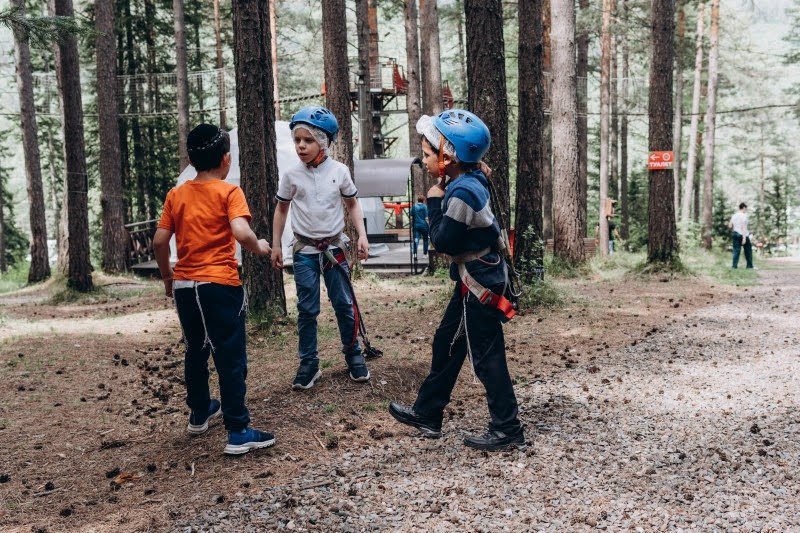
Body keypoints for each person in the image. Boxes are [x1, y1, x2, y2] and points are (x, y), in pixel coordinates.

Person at [388, 109, 524, 452]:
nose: (424, 161)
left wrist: (433, 203)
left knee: (487, 356)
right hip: (475, 279)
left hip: (480, 282)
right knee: (447, 343)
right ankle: (427, 413)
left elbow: (444, 241)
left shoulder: (462, 193)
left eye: (427, 154)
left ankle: (507, 428)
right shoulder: (469, 178)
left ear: (448, 158)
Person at [153, 123, 275, 456]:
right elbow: (241, 232)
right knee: (229, 355)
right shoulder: (229, 192)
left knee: (195, 349)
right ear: (225, 159)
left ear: (191, 160)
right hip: (219, 285)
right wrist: (260, 246)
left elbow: (160, 241)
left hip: (184, 286)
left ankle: (200, 411)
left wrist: (168, 278)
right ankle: (238, 430)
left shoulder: (176, 195)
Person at [271, 106, 371, 390]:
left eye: (308, 140)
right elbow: (281, 209)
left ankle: (353, 354)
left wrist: (362, 235)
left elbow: (352, 203)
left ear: (323, 142)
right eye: (297, 140)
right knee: (307, 309)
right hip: (304, 252)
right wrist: (276, 244)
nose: (301, 146)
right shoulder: (291, 175)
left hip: (334, 250)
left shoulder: (339, 171)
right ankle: (309, 364)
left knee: (344, 304)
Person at [729, 202, 753, 269]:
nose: (746, 210)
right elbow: (743, 226)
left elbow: (730, 225)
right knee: (748, 251)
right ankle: (749, 266)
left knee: (736, 251)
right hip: (743, 234)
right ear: (744, 208)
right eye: (746, 209)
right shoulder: (743, 215)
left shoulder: (734, 215)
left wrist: (735, 228)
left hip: (735, 233)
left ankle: (734, 266)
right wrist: (744, 238)